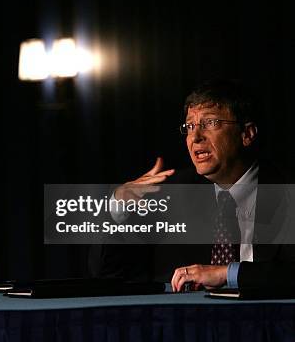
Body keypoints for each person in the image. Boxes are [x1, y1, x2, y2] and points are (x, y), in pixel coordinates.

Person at [99, 79, 295, 291]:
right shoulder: (169, 194)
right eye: (190, 126)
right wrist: (117, 209)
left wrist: (228, 274)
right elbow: (109, 275)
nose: (195, 137)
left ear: (246, 134)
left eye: (210, 123)